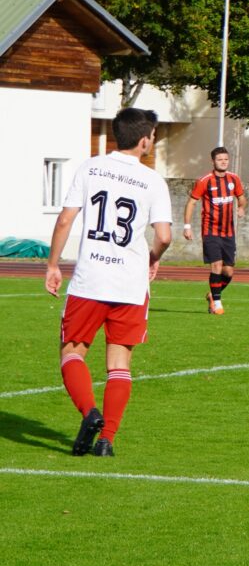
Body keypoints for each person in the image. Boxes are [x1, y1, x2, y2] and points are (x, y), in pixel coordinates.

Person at [44, 108, 173, 457]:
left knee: (72, 353)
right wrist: (154, 257)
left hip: (90, 280)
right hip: (130, 285)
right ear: (144, 139)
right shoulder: (153, 181)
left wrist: (53, 264)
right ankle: (107, 441)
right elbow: (163, 235)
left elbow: (65, 220)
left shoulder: (91, 167)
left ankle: (90, 413)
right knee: (119, 364)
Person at [182, 146, 246, 314]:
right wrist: (187, 226)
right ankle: (217, 304)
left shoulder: (234, 179)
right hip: (210, 231)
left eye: (225, 159)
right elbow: (191, 203)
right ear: (213, 161)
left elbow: (241, 198)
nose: (223, 162)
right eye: (220, 160)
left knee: (228, 271)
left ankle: (213, 295)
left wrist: (241, 207)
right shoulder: (205, 181)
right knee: (216, 265)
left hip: (228, 232)